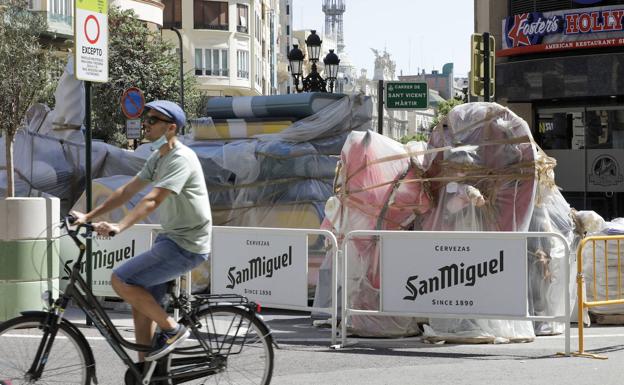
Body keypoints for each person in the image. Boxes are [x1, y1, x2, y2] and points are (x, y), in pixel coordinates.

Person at [72, 100, 212, 361]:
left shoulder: (180, 159)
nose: (145, 123)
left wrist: (118, 226)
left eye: (153, 120)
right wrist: (88, 216)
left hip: (188, 244)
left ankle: (173, 329)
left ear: (171, 128)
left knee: (121, 280)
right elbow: (127, 191)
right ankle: (146, 370)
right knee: (141, 302)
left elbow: (152, 200)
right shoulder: (158, 157)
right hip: (171, 238)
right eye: (146, 118)